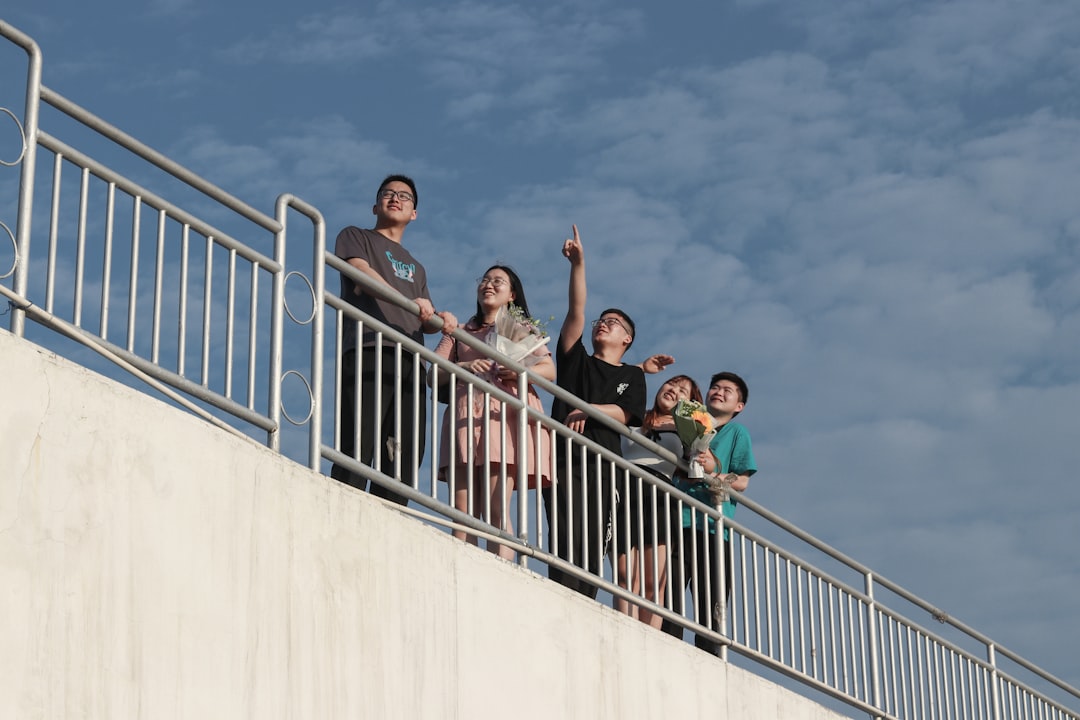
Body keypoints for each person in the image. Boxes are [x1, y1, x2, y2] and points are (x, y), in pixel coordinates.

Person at [331, 174, 458, 505]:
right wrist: (412, 304)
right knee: (360, 439)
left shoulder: (417, 268)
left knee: (403, 451)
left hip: (410, 360)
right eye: (388, 194)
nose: (396, 198)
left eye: (405, 196)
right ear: (375, 205)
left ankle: (391, 516)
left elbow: (424, 319)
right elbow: (360, 273)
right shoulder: (356, 236)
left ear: (414, 213)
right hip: (369, 347)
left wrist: (439, 318)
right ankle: (342, 507)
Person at [543, 225, 646, 599]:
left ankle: (584, 600)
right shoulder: (576, 362)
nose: (603, 323)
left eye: (613, 323)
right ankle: (562, 596)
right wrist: (578, 266)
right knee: (565, 533)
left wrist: (589, 408)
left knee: (592, 540)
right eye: (601, 320)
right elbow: (576, 309)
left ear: (627, 339)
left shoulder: (633, 375)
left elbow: (626, 413)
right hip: (564, 457)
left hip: (603, 465)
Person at [430, 265, 555, 559]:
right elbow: (433, 374)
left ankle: (501, 573)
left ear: (511, 294)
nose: (489, 284)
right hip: (465, 417)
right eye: (485, 280)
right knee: (462, 512)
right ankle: (461, 570)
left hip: (502, 419)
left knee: (497, 506)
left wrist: (518, 371)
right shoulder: (460, 331)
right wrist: (464, 367)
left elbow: (548, 370)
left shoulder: (520, 328)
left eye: (498, 281)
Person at [664, 371, 757, 655]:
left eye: (727, 390)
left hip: (714, 528)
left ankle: (711, 659)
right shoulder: (689, 422)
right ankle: (668, 650)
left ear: (738, 406)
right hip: (678, 518)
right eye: (715, 387)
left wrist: (714, 471)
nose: (719, 391)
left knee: (711, 601)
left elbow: (742, 482)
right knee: (671, 595)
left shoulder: (737, 432)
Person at [615, 374, 703, 628]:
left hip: (661, 494)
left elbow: (699, 467)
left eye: (683, 391)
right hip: (626, 486)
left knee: (655, 579)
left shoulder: (688, 431)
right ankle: (625, 627)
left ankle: (650, 636)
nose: (674, 390)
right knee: (626, 574)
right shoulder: (633, 415)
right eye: (671, 384)